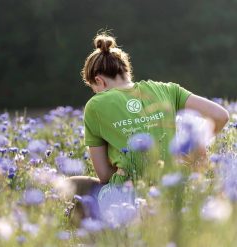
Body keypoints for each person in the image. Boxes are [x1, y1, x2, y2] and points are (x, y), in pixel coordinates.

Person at [69, 31, 229, 205]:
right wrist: (190, 147)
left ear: (99, 81)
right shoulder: (167, 89)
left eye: (94, 89)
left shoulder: (95, 105)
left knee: (71, 186)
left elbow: (104, 175)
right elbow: (220, 116)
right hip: (178, 190)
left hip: (128, 198)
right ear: (126, 71)